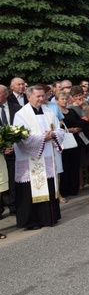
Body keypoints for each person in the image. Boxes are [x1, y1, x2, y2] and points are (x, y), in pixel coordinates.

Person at [13, 85, 64, 230]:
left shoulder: (49, 111)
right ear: (29, 97)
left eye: (43, 96)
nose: (41, 99)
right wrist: (43, 137)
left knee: (48, 185)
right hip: (31, 160)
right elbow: (21, 137)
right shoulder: (21, 114)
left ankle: (50, 217)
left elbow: (59, 130)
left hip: (47, 155)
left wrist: (53, 135)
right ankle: (33, 221)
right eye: (38, 96)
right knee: (31, 188)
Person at [57, 91, 89, 198]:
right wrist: (66, 130)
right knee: (64, 165)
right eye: (62, 99)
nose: (64, 101)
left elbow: (81, 121)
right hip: (62, 142)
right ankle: (65, 189)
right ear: (57, 100)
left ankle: (74, 188)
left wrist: (76, 128)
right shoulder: (54, 113)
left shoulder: (71, 111)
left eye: (66, 99)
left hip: (74, 141)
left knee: (75, 164)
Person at [0, 85, 21, 218]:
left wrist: (14, 143)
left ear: (6, 94)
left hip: (16, 149)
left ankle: (14, 206)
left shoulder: (17, 108)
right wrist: (3, 147)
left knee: (13, 179)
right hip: (1, 152)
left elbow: (22, 128)